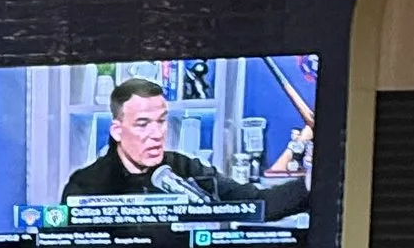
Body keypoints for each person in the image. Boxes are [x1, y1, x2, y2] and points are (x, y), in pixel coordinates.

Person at [60, 78, 310, 218]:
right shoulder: (86, 185)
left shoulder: (185, 168)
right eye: (143, 124)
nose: (156, 134)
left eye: (161, 121)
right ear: (117, 131)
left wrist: (313, 184)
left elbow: (255, 204)